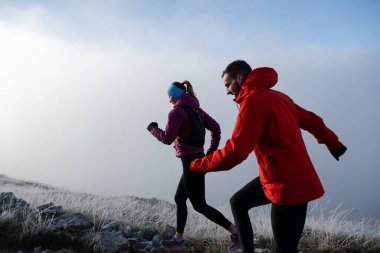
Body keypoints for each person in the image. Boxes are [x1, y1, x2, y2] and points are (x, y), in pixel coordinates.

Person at [190, 60, 347, 253]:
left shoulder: (253, 102)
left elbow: (236, 151)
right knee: (238, 202)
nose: (227, 92)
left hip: (288, 186)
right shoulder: (279, 97)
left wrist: (198, 165)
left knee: (284, 249)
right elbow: (313, 121)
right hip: (276, 177)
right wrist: (335, 145)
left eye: (228, 84)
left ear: (240, 78)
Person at [147, 81, 239, 251]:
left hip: (190, 162)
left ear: (172, 97)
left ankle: (235, 232)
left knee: (199, 205)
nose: (169, 101)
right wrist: (211, 150)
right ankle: (178, 239)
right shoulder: (197, 110)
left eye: (169, 97)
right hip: (199, 159)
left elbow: (167, 138)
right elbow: (216, 128)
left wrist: (153, 128)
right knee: (180, 198)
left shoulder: (176, 113)